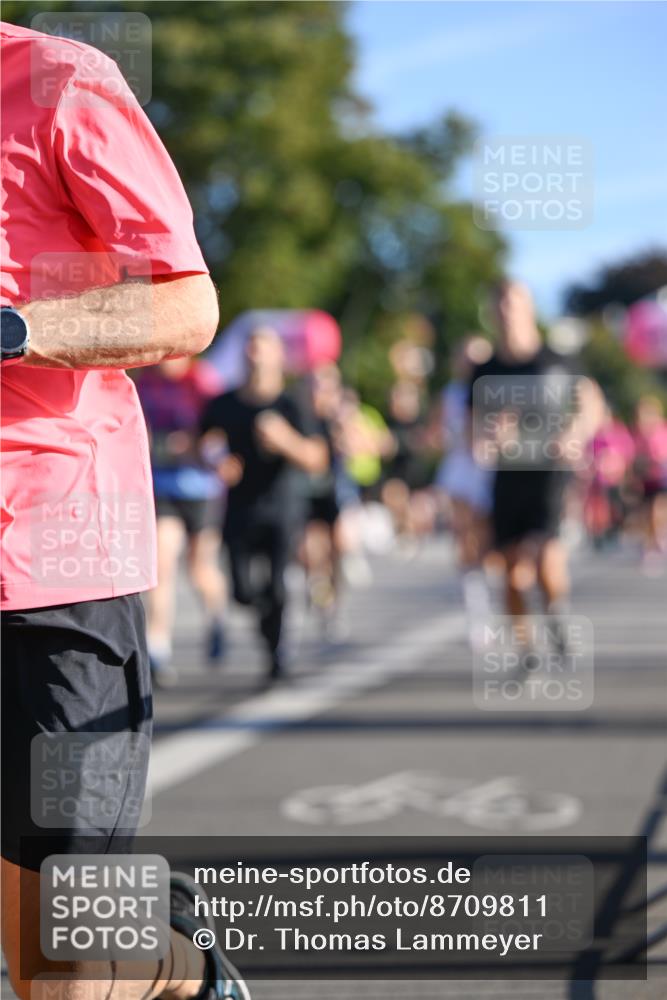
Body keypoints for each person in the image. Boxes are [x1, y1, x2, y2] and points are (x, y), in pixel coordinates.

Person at [1, 21, 248, 1000]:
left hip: (62, 557)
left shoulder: (61, 82)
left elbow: (185, 307)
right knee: (33, 956)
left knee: (65, 965)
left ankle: (182, 969)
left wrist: (12, 328)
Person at [468, 281, 603, 647]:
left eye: (514, 303)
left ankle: (557, 613)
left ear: (529, 309)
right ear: (492, 313)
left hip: (550, 471)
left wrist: (575, 432)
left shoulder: (556, 360)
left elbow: (591, 404)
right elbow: (473, 434)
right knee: (511, 575)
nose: (507, 311)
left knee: (546, 559)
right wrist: (489, 438)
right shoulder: (484, 371)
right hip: (509, 477)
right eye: (500, 304)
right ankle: (526, 646)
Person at [200, 327, 328, 683]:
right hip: (240, 505)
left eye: (263, 348)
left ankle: (276, 653)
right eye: (250, 347)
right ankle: (266, 625)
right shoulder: (224, 403)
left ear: (278, 358)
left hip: (282, 505)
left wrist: (285, 440)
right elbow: (202, 443)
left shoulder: (292, 405)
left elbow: (318, 458)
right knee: (242, 590)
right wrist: (216, 462)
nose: (255, 354)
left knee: (276, 585)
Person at [136, 357, 228, 686]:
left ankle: (217, 617)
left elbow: (220, 430)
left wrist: (196, 445)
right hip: (162, 487)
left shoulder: (202, 379)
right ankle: (158, 647)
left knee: (200, 568)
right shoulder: (144, 381)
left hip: (202, 488)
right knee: (161, 565)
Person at [436, 336, 494, 649]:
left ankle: (498, 600)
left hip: (492, 471)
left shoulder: (496, 390)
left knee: (490, 544)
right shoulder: (451, 394)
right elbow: (435, 433)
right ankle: (477, 611)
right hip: (462, 471)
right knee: (466, 542)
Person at [632, 394, 667, 573]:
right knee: (645, 514)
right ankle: (651, 543)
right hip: (645, 479)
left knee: (657, 510)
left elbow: (661, 455)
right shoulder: (638, 434)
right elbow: (633, 456)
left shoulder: (661, 431)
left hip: (660, 477)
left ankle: (658, 540)